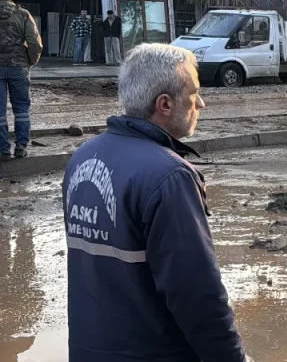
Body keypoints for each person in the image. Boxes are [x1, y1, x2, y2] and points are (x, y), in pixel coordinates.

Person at [61, 44, 247, 362]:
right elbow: (197, 296)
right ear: (164, 104)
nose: (200, 103)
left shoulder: (82, 158)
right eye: (194, 94)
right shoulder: (169, 176)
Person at [0, 0, 42, 161]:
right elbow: (34, 42)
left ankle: (2, 150)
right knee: (22, 108)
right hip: (18, 67)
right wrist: (31, 61)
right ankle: (21, 146)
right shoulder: (22, 13)